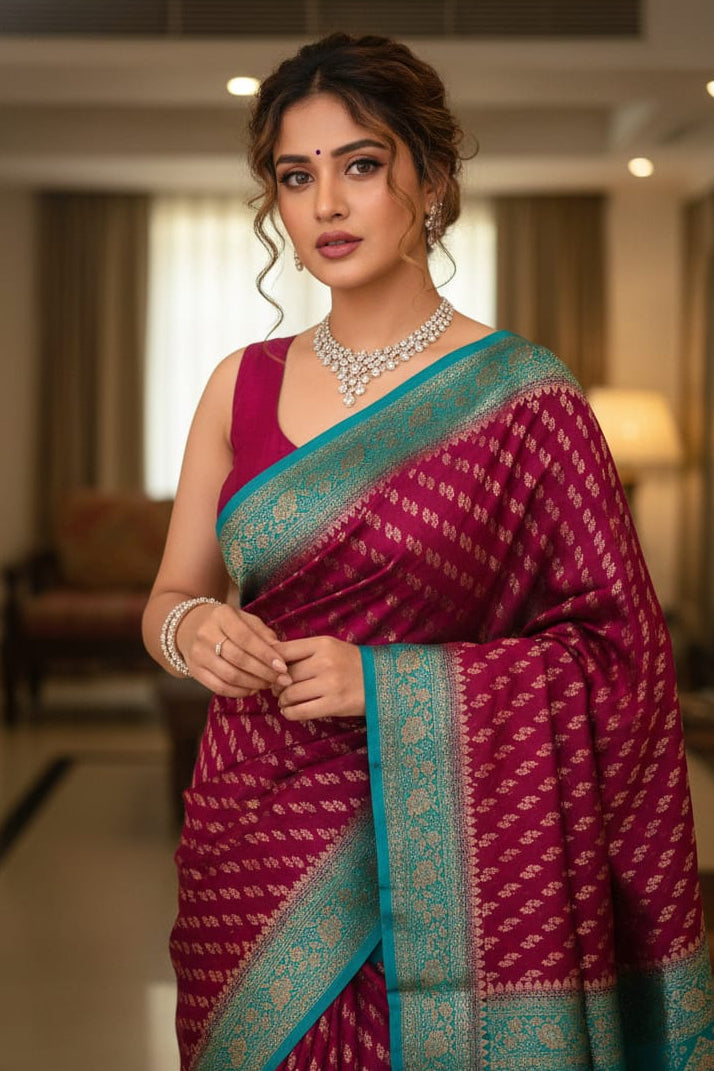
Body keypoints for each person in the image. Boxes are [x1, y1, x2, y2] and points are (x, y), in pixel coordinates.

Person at [143, 32, 714, 1071]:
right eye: (295, 175)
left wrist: (389, 685)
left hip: (463, 859)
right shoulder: (240, 383)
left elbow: (618, 661)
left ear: (431, 182)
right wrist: (193, 628)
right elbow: (172, 592)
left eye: (360, 166)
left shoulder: (525, 401)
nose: (325, 205)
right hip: (251, 839)